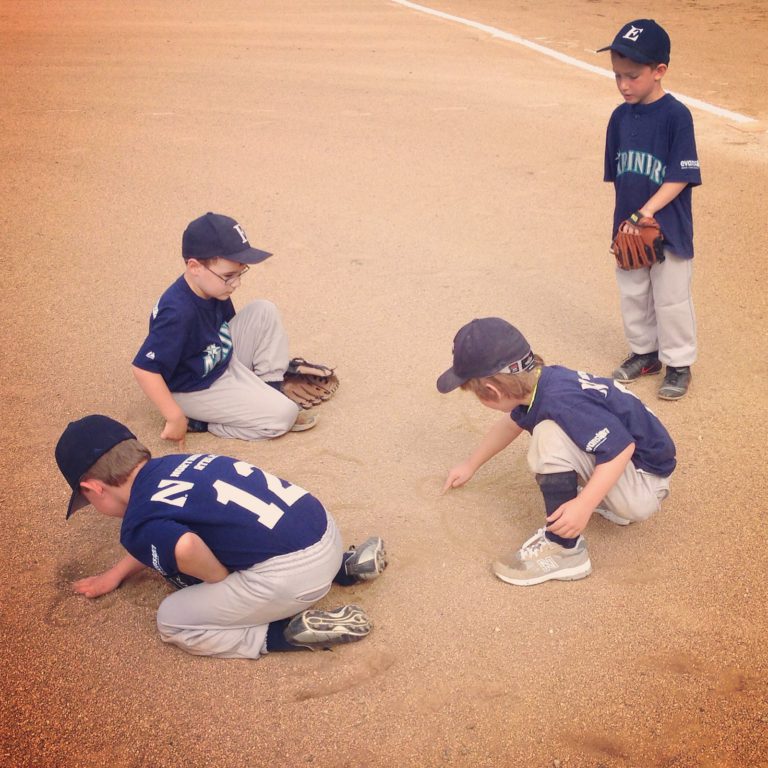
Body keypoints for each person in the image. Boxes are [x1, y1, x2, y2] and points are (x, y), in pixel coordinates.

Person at [55, 414, 387, 659]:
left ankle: (282, 634)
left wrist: (219, 579)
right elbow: (164, 532)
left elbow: (184, 546)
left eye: (87, 501)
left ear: (93, 488)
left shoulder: (136, 523)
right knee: (232, 530)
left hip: (293, 579)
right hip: (324, 531)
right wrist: (115, 574)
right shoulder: (181, 462)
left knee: (172, 620)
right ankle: (345, 567)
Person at [437, 317, 675, 586]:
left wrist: (583, 506)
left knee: (548, 435)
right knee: (556, 430)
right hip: (640, 470)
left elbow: (621, 448)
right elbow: (510, 424)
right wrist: (471, 464)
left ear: (491, 390)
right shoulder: (543, 383)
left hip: (644, 486)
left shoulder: (562, 402)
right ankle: (608, 499)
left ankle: (565, 549)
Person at [132, 212, 338, 444]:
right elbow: (144, 369)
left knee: (264, 310)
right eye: (229, 276)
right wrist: (174, 416)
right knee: (284, 416)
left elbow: (226, 328)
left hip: (215, 358)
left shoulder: (213, 288)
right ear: (194, 266)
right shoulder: (177, 312)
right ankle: (202, 422)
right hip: (194, 387)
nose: (236, 283)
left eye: (240, 274)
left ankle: (270, 388)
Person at [598, 20, 701, 400]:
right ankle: (645, 354)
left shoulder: (676, 116)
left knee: (671, 298)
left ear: (659, 71)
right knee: (633, 294)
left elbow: (680, 176)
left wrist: (646, 212)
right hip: (628, 227)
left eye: (633, 76)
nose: (624, 84)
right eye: (617, 76)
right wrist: (627, 222)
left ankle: (678, 362)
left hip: (668, 225)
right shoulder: (618, 118)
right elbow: (620, 176)